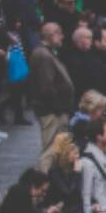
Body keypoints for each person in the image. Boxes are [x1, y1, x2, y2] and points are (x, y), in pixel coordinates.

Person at [30, 23, 76, 152]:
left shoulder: (46, 52)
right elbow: (46, 87)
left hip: (54, 111)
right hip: (51, 112)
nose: (62, 36)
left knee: (56, 149)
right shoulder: (43, 55)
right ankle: (44, 172)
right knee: (50, 150)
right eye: (59, 33)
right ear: (52, 35)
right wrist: (58, 109)